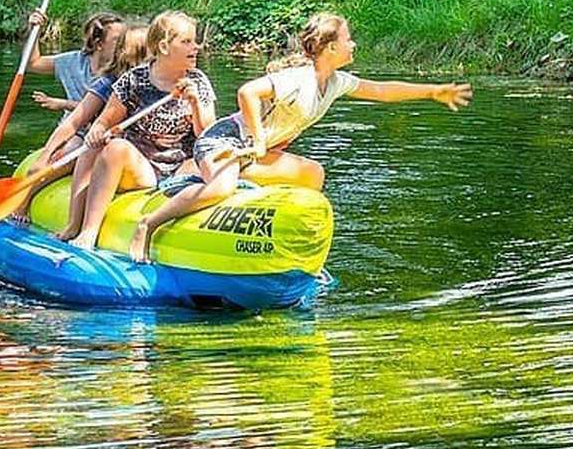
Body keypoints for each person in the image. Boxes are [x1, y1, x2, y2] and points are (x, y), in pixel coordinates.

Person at [128, 13, 474, 262]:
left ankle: (270, 234)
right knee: (219, 189)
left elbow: (382, 90)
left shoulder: (335, 82)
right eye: (347, 39)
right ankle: (150, 224)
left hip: (254, 153)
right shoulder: (299, 78)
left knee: (313, 174)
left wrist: (434, 91)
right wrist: (260, 138)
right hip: (225, 142)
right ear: (328, 47)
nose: (352, 44)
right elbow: (248, 92)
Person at [58, 11, 215, 249]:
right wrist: (98, 131)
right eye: (187, 42)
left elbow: (208, 136)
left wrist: (195, 103)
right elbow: (104, 121)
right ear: (163, 46)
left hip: (182, 165)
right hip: (143, 167)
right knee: (108, 146)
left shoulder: (199, 81)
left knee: (212, 160)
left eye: (194, 41)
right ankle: (83, 228)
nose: (196, 47)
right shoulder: (134, 80)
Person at [13, 24, 152, 219]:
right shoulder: (106, 83)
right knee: (74, 154)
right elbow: (74, 122)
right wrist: (45, 156)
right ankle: (24, 199)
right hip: (88, 135)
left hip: (124, 145)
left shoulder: (156, 83)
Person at [26, 11, 125, 114]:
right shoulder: (73, 61)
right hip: (70, 127)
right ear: (98, 44)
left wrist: (64, 104)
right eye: (118, 39)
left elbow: (106, 112)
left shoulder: (125, 71)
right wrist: (34, 32)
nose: (125, 44)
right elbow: (34, 63)